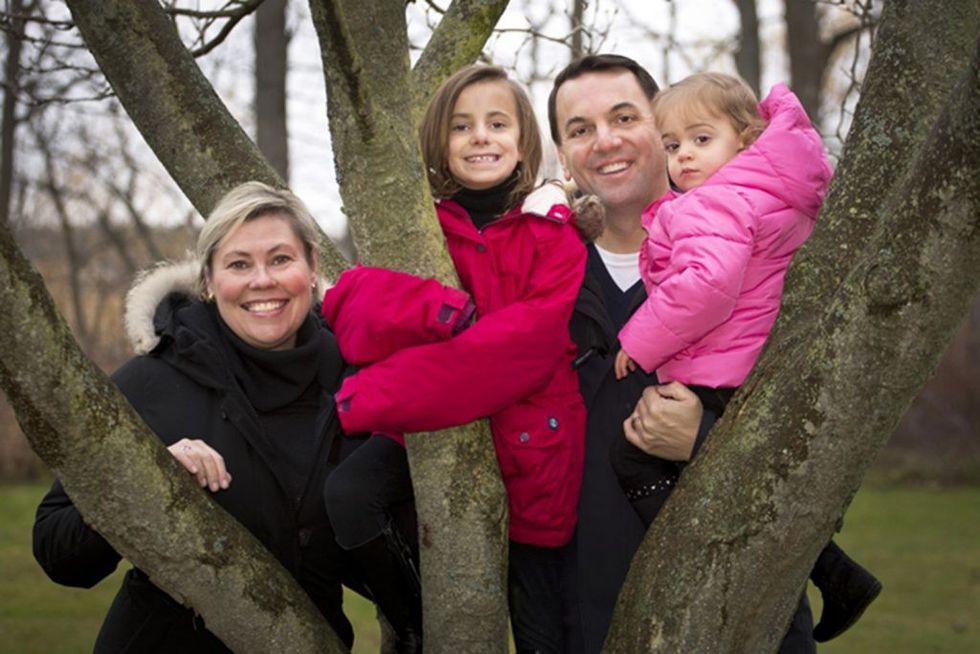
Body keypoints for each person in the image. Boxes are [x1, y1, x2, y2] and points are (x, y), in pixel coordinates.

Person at [32, 182, 385, 652]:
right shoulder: (153, 380)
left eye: (281, 259)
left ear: (313, 267)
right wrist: (149, 480)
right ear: (209, 280)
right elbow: (57, 550)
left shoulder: (359, 383)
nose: (263, 280)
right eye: (239, 264)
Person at [320, 64, 586, 654]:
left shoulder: (552, 236)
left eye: (497, 123)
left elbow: (522, 351)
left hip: (531, 450)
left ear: (523, 142)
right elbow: (355, 311)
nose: (481, 137)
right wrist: (437, 309)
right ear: (440, 141)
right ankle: (414, 625)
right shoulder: (419, 229)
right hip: (429, 425)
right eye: (462, 127)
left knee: (546, 631)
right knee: (345, 498)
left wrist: (366, 397)